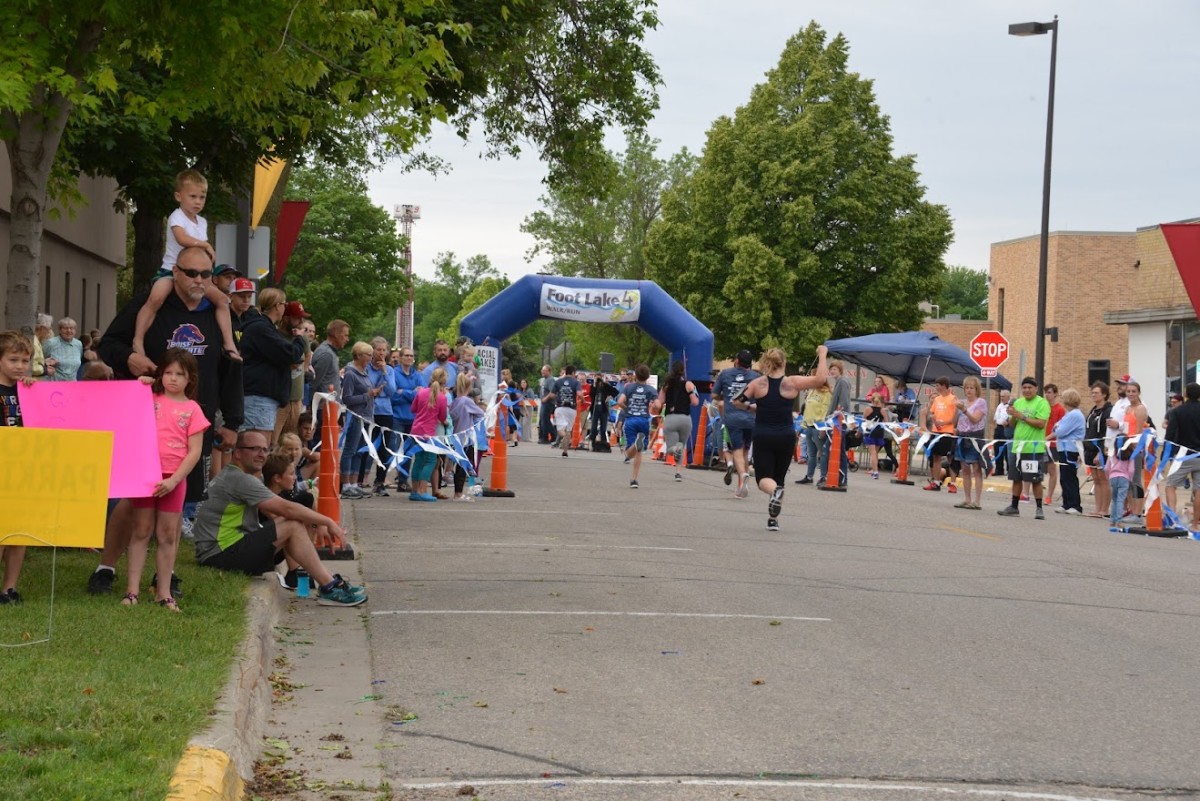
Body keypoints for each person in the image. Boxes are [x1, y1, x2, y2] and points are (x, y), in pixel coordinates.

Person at [88, 246, 244, 596]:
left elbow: (232, 363)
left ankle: (164, 574)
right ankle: (107, 567)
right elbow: (109, 343)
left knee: (176, 501)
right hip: (145, 420)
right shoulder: (151, 304)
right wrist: (130, 358)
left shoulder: (217, 311)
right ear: (175, 272)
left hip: (191, 422)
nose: (199, 281)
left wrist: (233, 418)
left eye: (206, 274)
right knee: (132, 501)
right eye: (191, 273)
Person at [192, 431, 366, 606]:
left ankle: (319, 580)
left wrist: (308, 525)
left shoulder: (243, 476)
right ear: (237, 453)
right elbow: (286, 509)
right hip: (218, 553)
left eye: (264, 449)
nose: (261, 454)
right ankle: (328, 586)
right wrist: (326, 521)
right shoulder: (240, 479)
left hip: (226, 548)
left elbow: (277, 516)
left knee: (292, 525)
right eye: (254, 449)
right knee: (292, 524)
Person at [123, 349, 209, 611]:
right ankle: (132, 591)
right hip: (147, 475)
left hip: (174, 479)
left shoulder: (193, 410)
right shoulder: (150, 398)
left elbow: (194, 452)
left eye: (179, 374)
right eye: (168, 372)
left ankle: (163, 592)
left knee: (168, 535)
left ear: (189, 379)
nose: (172, 378)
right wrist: (141, 385)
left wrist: (174, 481)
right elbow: (125, 406)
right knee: (140, 530)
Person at [132, 170, 239, 362]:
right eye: (192, 196)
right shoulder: (177, 216)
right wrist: (205, 245)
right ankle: (138, 339)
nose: (197, 201)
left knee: (223, 300)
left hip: (195, 274)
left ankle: (228, 343)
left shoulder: (202, 221)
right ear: (178, 196)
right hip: (170, 270)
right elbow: (182, 239)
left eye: (202, 197)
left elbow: (200, 253)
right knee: (155, 299)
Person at [734, 345, 829, 532]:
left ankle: (774, 494)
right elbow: (821, 379)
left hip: (763, 435)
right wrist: (823, 355)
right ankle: (773, 519)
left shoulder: (758, 384)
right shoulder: (792, 382)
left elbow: (736, 400)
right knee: (780, 478)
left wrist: (752, 408)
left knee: (763, 479)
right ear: (783, 362)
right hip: (786, 436)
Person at [239, 288, 306, 440]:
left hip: (265, 398)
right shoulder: (260, 328)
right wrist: (300, 340)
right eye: (284, 304)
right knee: (257, 446)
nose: (284, 307)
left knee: (263, 445)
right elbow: (291, 354)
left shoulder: (267, 328)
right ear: (277, 306)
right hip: (258, 398)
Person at [0, 330, 34, 604]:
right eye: (13, 359)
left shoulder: (31, 391)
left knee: (19, 530)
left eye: (25, 360)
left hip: (25, 470)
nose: (20, 366)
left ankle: (9, 587)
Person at [997, 376, 1051, 520]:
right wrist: (1012, 415)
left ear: (1036, 389)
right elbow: (1013, 424)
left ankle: (1039, 508)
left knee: (1035, 480)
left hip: (1033, 448)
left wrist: (1022, 416)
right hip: (1018, 447)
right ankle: (1014, 506)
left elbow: (1040, 423)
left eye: (1030, 388)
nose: (1027, 390)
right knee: (1016, 478)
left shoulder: (1042, 403)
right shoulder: (1019, 402)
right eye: (1024, 388)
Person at [712, 350, 760, 498]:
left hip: (732, 418)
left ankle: (743, 474)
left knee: (737, 451)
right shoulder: (757, 377)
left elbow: (714, 394)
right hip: (751, 418)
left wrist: (726, 395)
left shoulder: (725, 374)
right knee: (745, 451)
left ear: (737, 361)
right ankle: (741, 487)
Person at [338, 342, 375, 499]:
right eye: (369, 355)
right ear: (359, 355)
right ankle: (346, 484)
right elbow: (347, 398)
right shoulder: (351, 374)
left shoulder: (365, 373)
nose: (371, 358)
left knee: (359, 452)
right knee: (350, 450)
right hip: (355, 417)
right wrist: (367, 396)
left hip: (366, 416)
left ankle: (354, 484)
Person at [273, 301, 312, 441]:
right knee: (274, 440)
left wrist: (304, 368)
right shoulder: (276, 336)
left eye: (302, 317)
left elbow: (308, 354)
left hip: (297, 397)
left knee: (291, 440)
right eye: (297, 318)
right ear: (286, 318)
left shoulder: (301, 337)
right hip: (279, 399)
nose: (301, 321)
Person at [409, 366, 449, 501]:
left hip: (416, 430)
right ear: (444, 383)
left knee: (418, 460)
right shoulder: (442, 397)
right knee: (430, 461)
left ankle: (414, 491)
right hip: (430, 433)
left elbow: (413, 409)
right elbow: (443, 417)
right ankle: (422, 490)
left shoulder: (421, 393)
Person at [1165, 382, 1200, 530]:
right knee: (1198, 489)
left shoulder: (1177, 412)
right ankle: (1195, 524)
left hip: (1183, 455)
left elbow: (1170, 435)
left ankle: (1173, 518)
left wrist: (1169, 454)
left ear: (1185, 394)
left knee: (1170, 485)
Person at [389, 346, 424, 492]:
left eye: (411, 356)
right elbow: (393, 395)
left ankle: (403, 481)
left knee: (409, 451)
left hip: (412, 418)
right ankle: (387, 479)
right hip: (397, 416)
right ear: (400, 357)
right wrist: (412, 393)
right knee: (396, 449)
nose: (409, 358)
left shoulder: (417, 375)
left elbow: (422, 395)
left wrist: (404, 392)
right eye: (406, 355)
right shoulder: (394, 373)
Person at [616, 364, 657, 489]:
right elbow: (658, 404)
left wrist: (626, 409)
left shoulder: (629, 387)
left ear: (635, 375)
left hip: (631, 419)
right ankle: (634, 479)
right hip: (644, 420)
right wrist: (653, 407)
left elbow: (619, 401)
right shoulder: (651, 390)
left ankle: (634, 444)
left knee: (629, 453)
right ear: (647, 376)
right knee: (639, 452)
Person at [658, 361, 699, 481]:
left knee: (671, 449)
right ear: (683, 370)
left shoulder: (666, 385)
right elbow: (695, 402)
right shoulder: (689, 384)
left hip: (671, 418)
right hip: (685, 419)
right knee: (682, 444)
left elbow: (660, 401)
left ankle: (675, 450)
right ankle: (678, 472)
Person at [952, 376, 987, 510]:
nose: (969, 390)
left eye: (972, 387)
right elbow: (954, 421)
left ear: (976, 389)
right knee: (965, 469)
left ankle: (977, 501)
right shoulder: (961, 402)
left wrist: (965, 410)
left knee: (976, 469)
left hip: (974, 437)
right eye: (967, 387)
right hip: (962, 436)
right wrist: (956, 409)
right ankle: (967, 499)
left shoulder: (981, 402)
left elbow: (975, 420)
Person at [449, 372, 485, 500]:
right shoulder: (467, 401)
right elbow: (481, 413)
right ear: (468, 388)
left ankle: (457, 492)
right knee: (464, 465)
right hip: (467, 437)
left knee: (460, 464)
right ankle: (458, 493)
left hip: (457, 436)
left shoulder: (455, 401)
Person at [1050, 388, 1086, 515]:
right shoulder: (1069, 414)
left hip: (1070, 450)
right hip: (1064, 448)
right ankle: (1066, 503)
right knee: (1064, 477)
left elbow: (1059, 431)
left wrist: (1057, 428)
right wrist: (1057, 427)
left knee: (1070, 477)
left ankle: (1075, 505)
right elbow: (1056, 426)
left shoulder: (1075, 414)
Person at [923, 377, 959, 493]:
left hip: (948, 432)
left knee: (950, 457)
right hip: (936, 431)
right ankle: (936, 482)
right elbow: (932, 413)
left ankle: (953, 483)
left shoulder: (953, 399)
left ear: (944, 385)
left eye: (938, 385)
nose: (936, 388)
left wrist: (944, 422)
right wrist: (935, 420)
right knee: (936, 456)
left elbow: (955, 418)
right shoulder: (937, 399)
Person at [820, 360, 853, 489]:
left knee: (832, 450)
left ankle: (838, 476)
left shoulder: (843, 382)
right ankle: (839, 477)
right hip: (835, 420)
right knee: (838, 451)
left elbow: (843, 403)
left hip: (839, 422)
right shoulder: (839, 382)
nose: (832, 371)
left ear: (840, 370)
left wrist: (836, 417)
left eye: (834, 369)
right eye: (831, 369)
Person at [1084, 382, 1113, 518]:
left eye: (1096, 393)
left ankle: (1104, 509)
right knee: (1096, 480)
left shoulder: (1108, 411)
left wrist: (1099, 452)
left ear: (1104, 394)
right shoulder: (1093, 410)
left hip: (1101, 449)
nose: (1093, 395)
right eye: (1092, 393)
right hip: (1089, 448)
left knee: (1103, 479)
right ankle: (1097, 508)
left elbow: (1105, 433)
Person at [795, 378, 831, 485]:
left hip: (818, 426)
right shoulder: (811, 391)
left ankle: (823, 476)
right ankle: (809, 476)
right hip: (809, 426)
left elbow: (825, 410)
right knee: (811, 454)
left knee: (823, 453)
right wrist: (802, 426)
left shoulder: (826, 393)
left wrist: (823, 427)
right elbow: (807, 410)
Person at [544, 364, 581, 458]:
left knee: (560, 430)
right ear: (573, 373)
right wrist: (583, 400)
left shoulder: (558, 382)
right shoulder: (576, 382)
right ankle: (565, 451)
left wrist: (546, 398)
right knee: (568, 430)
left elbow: (552, 395)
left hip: (560, 407)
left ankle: (563, 436)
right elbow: (579, 394)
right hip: (572, 409)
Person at [863, 375, 890, 479]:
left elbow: (864, 420)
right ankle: (874, 469)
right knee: (876, 452)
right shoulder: (882, 410)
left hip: (871, 431)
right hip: (879, 431)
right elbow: (886, 421)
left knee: (873, 452)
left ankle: (875, 471)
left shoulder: (868, 409)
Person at [1043, 384, 1065, 503]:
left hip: (1052, 444)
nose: (1047, 395)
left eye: (1050, 392)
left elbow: (1060, 428)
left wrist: (1049, 437)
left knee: (1052, 469)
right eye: (1046, 392)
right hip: (1040, 441)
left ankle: (1049, 496)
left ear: (1055, 394)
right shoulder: (1043, 407)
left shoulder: (1060, 409)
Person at [41, 317, 82, 382]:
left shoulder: (78, 344)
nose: (69, 331)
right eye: (65, 328)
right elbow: (40, 360)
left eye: (71, 328)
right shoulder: (51, 343)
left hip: (72, 385)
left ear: (75, 330)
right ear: (59, 330)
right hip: (54, 384)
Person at [992, 388, 1013, 479]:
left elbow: (1010, 417)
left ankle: (1009, 469)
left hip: (1006, 428)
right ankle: (999, 469)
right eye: (1001, 396)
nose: (1002, 398)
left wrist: (1007, 422)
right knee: (997, 449)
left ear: (1008, 397)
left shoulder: (1011, 406)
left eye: (1003, 396)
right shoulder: (999, 406)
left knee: (1006, 450)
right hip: (998, 428)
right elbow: (996, 417)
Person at [537, 364, 555, 444]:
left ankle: (550, 436)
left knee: (545, 420)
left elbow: (553, 392)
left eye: (544, 370)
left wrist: (546, 398)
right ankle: (543, 437)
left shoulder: (550, 380)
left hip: (548, 403)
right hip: (543, 403)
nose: (542, 372)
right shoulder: (544, 380)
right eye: (542, 370)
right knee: (542, 420)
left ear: (549, 371)